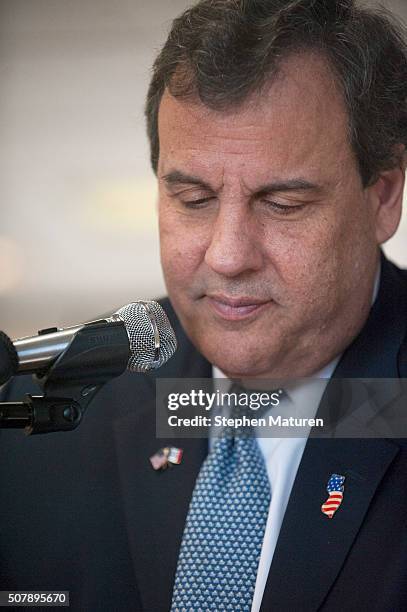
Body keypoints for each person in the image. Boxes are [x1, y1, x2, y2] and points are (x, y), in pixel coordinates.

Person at [1, 0, 407, 610]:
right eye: (193, 199)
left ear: (383, 195)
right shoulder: (53, 421)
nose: (227, 256)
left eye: (283, 204)